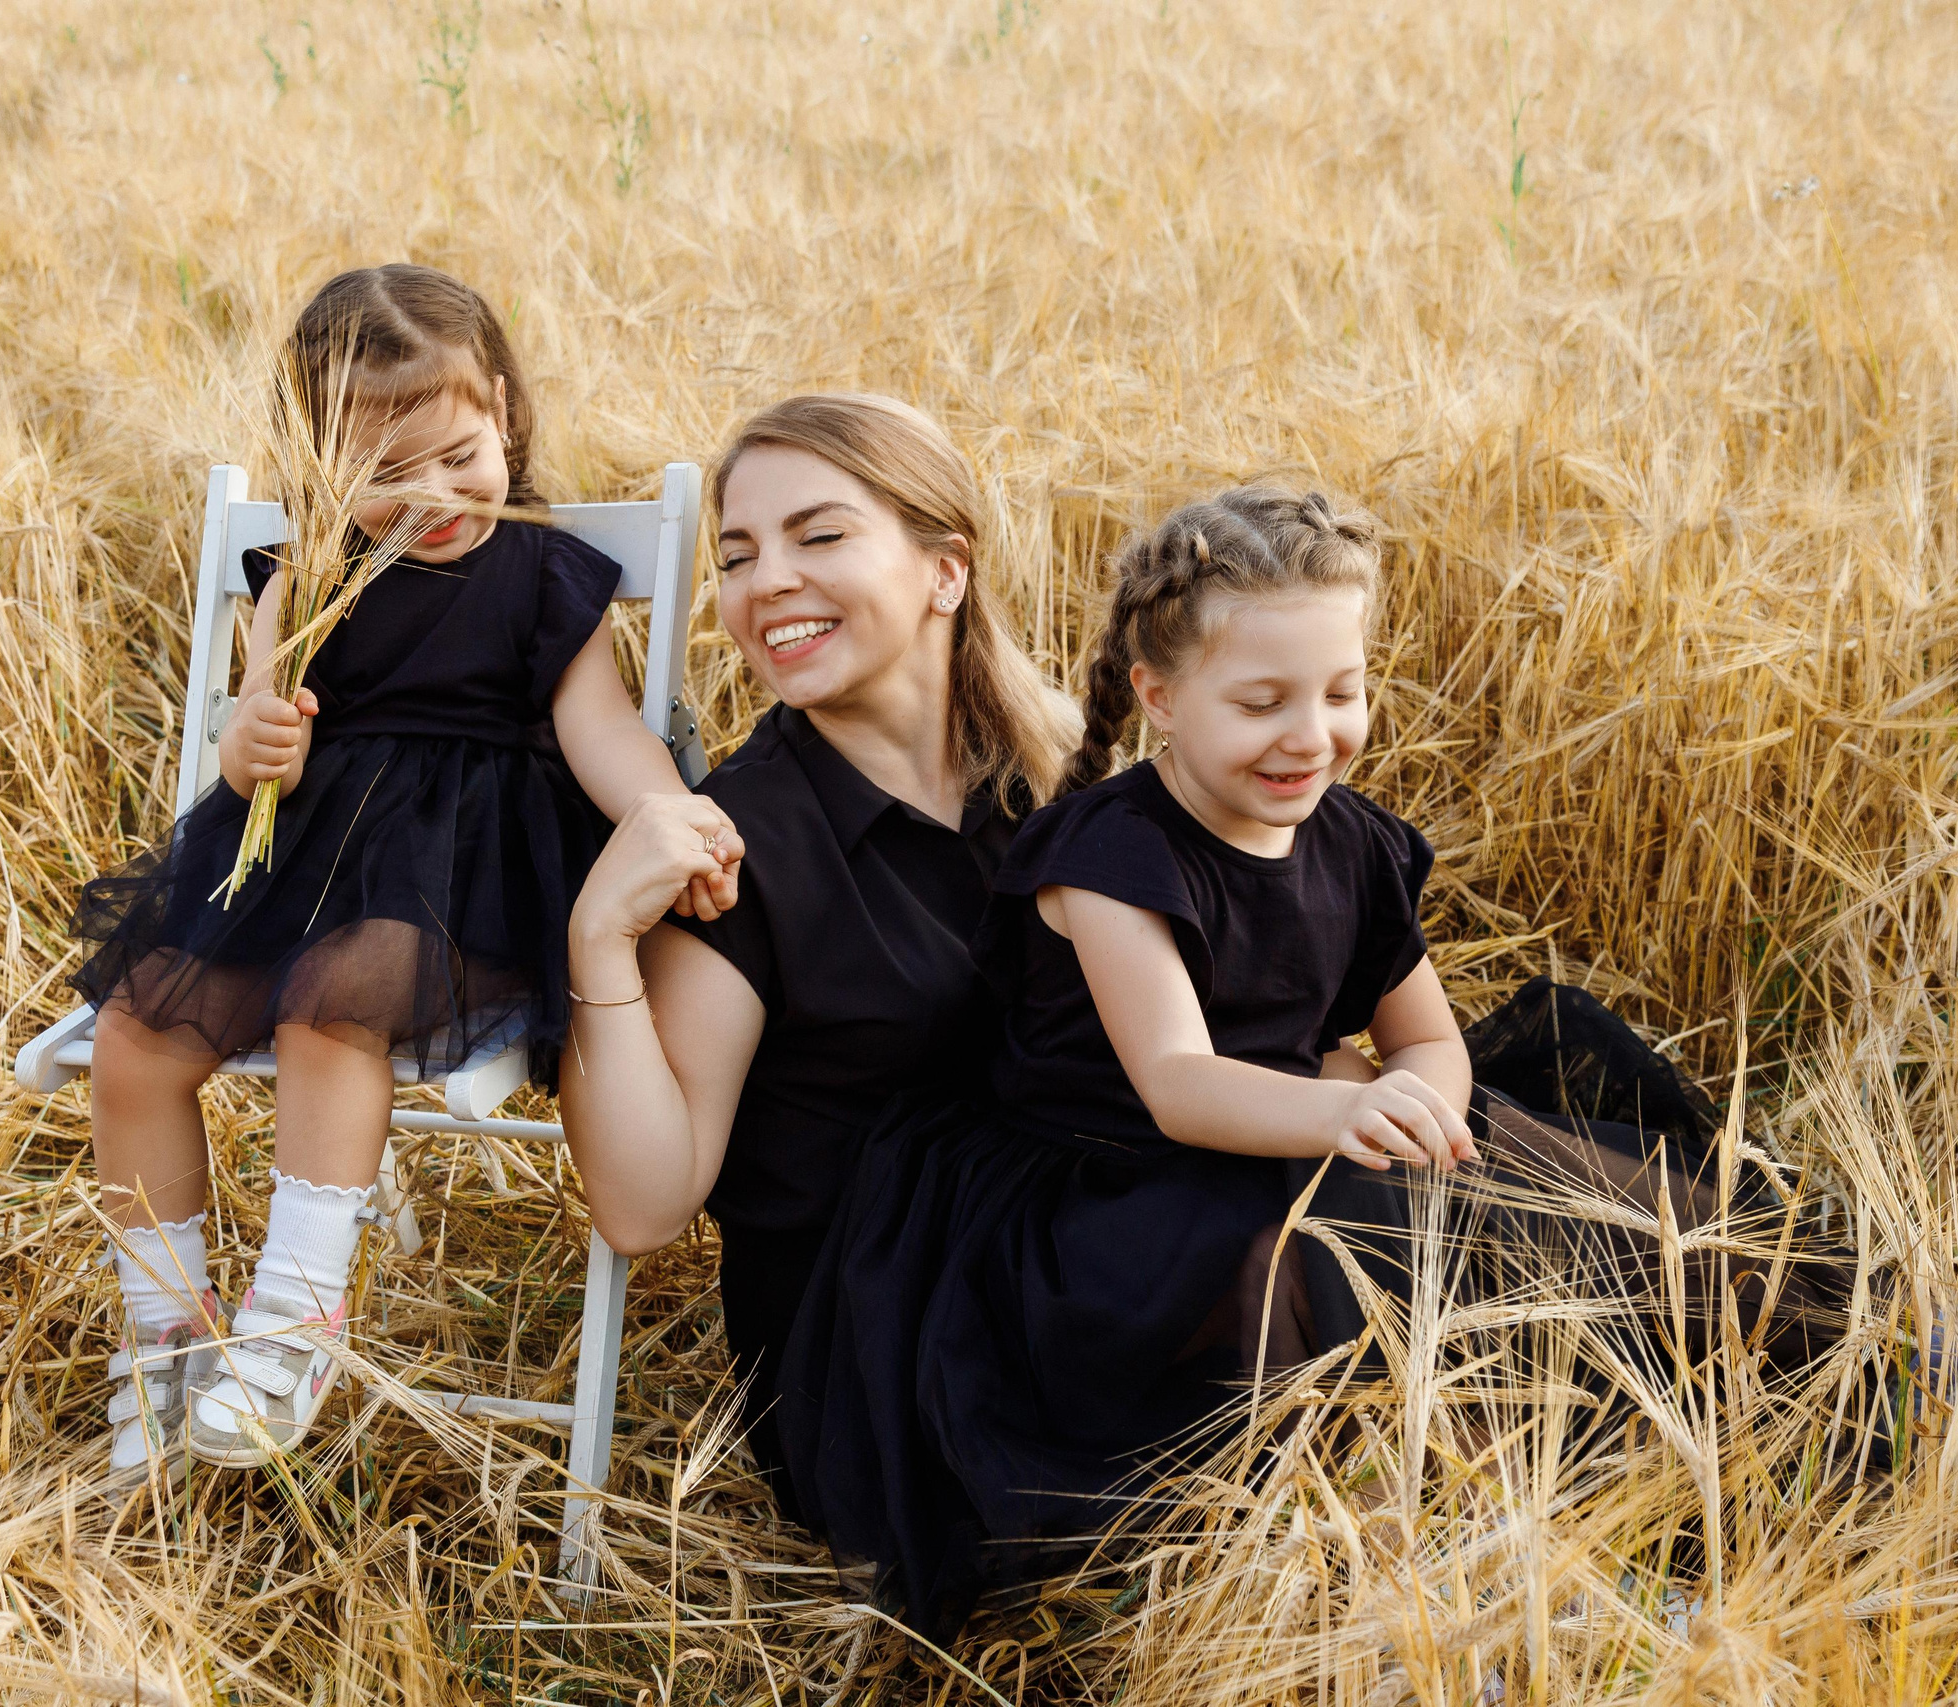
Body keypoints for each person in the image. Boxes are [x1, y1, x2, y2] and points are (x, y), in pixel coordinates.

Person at [772, 487, 1856, 1639]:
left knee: (1568, 1195)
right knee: (1339, 1254)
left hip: (1293, 1126)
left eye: (1341, 693)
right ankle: (1438, 1584)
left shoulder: (1352, 838)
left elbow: (1427, 1037)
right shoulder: (1108, 859)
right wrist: (1349, 1120)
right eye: (1261, 702)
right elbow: (1179, 1084)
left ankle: (1837, 1357)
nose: (1310, 734)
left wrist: (1422, 1108)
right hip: (1101, 1197)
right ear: (1160, 698)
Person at [68, 264, 733, 1479]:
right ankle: (164, 1329)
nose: (433, 495)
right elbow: (252, 714)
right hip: (290, 868)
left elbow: (600, 731)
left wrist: (671, 813)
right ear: (317, 463)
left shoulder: (541, 572)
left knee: (337, 998)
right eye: (385, 473)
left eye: (460, 455)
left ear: (507, 423)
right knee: (134, 1035)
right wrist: (249, 735)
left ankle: (299, 1318)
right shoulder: (300, 574)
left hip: (462, 882)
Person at [557, 393, 1078, 1489]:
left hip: (1078, 1244)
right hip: (884, 1356)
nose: (766, 582)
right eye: (738, 556)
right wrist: (601, 939)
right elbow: (643, 1208)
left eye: (820, 534)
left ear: (947, 570)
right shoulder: (744, 847)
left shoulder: (1059, 779)